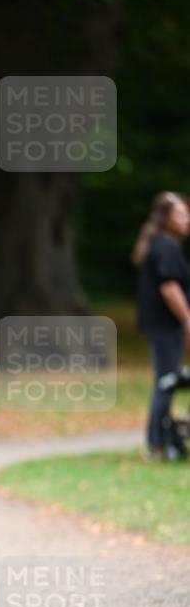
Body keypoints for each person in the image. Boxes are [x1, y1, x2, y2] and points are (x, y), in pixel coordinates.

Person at [133, 191, 190, 460]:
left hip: (159, 326)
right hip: (165, 326)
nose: (186, 219)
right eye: (180, 214)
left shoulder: (161, 243)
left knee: (165, 381)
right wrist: (187, 319)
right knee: (167, 383)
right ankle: (157, 445)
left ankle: (163, 441)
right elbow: (169, 288)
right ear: (165, 218)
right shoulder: (166, 246)